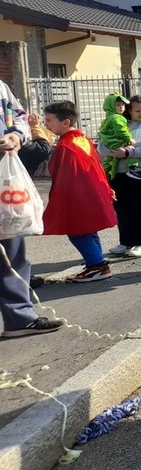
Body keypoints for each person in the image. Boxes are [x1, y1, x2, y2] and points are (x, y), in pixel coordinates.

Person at [0, 81, 63, 337]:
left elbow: (20, 116)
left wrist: (16, 136)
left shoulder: (1, 88)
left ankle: (19, 318)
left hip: (4, 181)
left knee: (12, 253)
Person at [41, 100, 118, 283]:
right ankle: (95, 265)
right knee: (89, 230)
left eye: (49, 120)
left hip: (78, 197)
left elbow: (60, 173)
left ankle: (98, 265)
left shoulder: (65, 146)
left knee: (78, 231)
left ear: (65, 122)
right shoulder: (81, 138)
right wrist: (106, 189)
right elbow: (96, 165)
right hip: (91, 193)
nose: (46, 124)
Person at [98, 95, 141, 258]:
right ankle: (126, 242)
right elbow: (102, 145)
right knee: (122, 208)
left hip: (140, 171)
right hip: (117, 171)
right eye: (138, 110)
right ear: (129, 110)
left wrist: (127, 152)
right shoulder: (117, 122)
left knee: (139, 206)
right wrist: (115, 152)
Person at [98, 93, 141, 180]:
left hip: (110, 143)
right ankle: (132, 169)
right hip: (118, 141)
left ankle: (104, 174)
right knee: (130, 150)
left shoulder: (108, 118)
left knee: (109, 161)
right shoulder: (117, 118)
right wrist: (129, 139)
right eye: (118, 105)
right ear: (110, 105)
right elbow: (121, 130)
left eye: (123, 105)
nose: (121, 107)